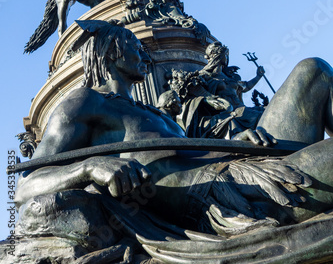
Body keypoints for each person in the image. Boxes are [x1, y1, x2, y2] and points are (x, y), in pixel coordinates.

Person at [15, 20, 333, 248]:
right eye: (133, 45)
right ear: (110, 51)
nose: (144, 53)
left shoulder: (152, 111)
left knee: (313, 69)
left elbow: (190, 151)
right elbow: (27, 186)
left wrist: (233, 144)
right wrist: (89, 166)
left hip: (241, 165)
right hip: (218, 197)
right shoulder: (87, 101)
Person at [171, 42, 267, 139]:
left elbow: (245, 87)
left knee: (265, 110)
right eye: (226, 55)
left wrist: (258, 76)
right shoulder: (203, 76)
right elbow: (195, 96)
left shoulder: (229, 76)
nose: (227, 58)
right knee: (260, 117)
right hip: (231, 111)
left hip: (242, 108)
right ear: (219, 55)